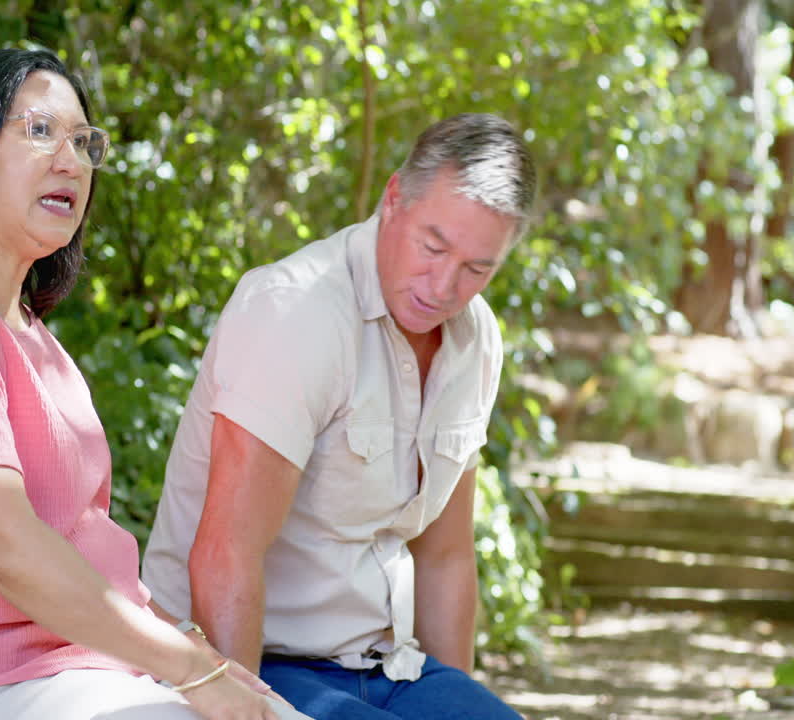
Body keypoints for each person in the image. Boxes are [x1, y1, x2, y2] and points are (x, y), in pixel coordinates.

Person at [0, 48, 311, 720]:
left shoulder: (40, 343)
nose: (71, 160)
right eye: (38, 132)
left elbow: (94, 568)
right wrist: (193, 672)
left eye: (85, 142)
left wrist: (197, 661)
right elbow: (4, 544)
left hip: (83, 680)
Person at [140, 114, 535, 720]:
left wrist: (456, 701)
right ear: (393, 198)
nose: (445, 285)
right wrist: (243, 708)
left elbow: (446, 555)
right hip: (247, 662)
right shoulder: (296, 311)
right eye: (433, 247)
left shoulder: (476, 339)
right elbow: (226, 552)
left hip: (389, 668)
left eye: (477, 269)